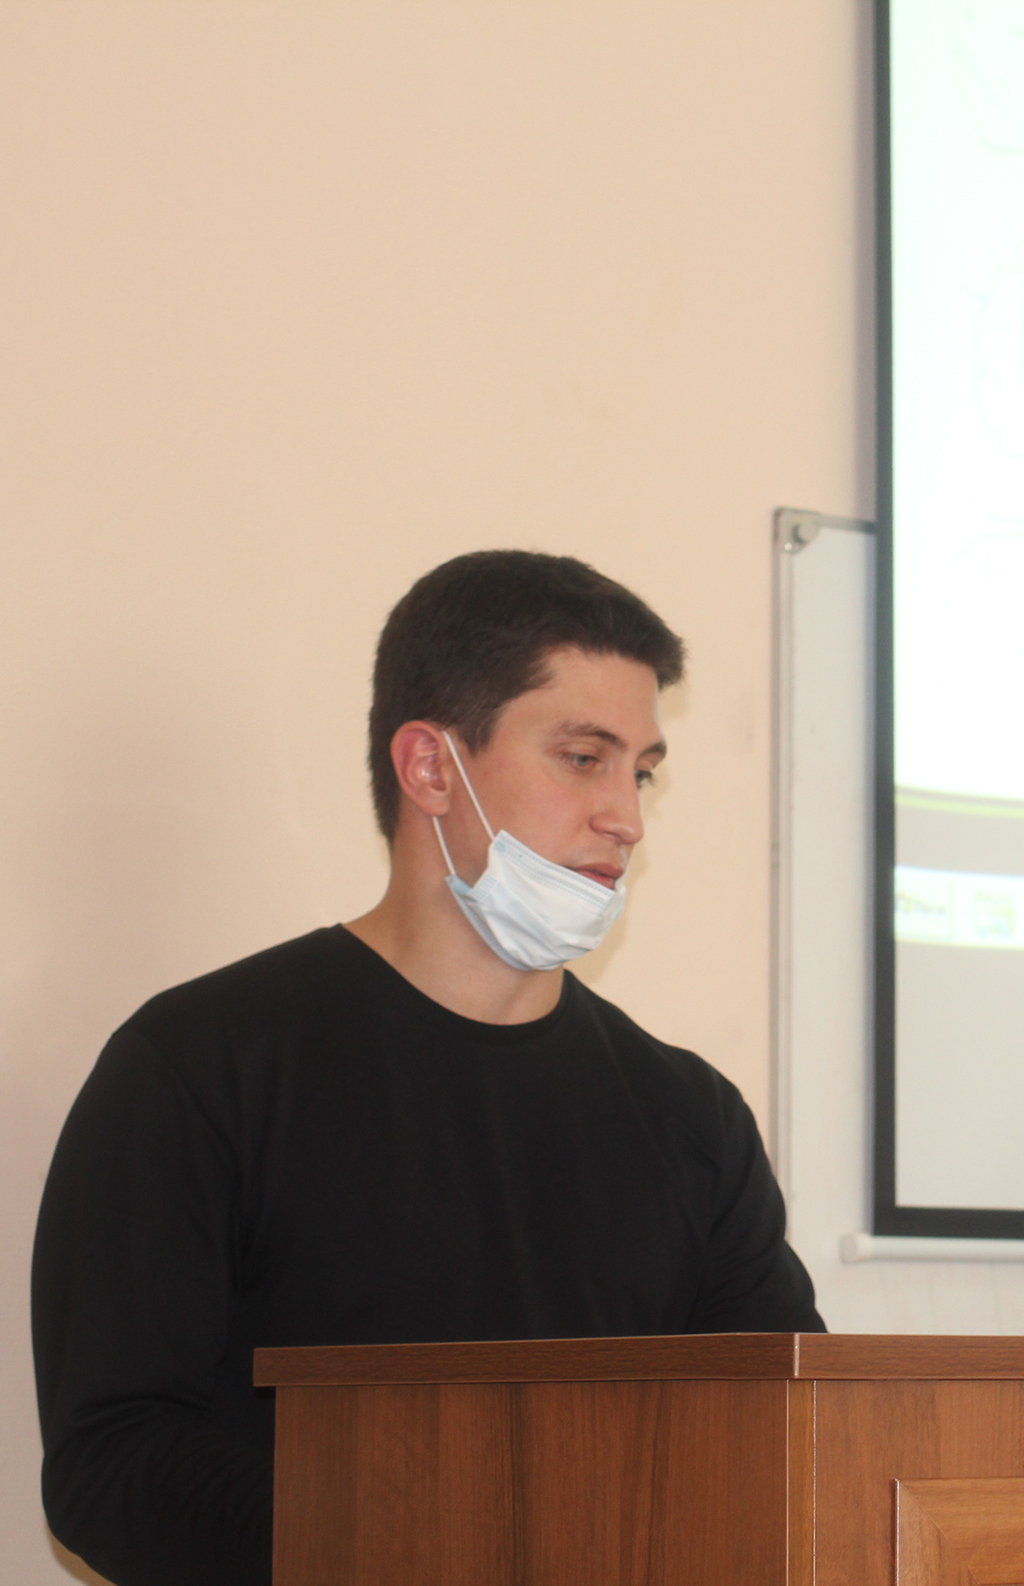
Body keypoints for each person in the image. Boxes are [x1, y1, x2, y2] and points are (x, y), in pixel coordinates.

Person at [32, 549, 824, 1586]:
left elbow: (785, 1441)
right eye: (582, 757)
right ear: (430, 768)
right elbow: (112, 1459)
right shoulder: (201, 1065)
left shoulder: (691, 1118)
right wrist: (429, 1536)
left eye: (640, 770)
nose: (626, 817)